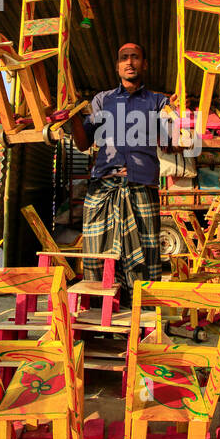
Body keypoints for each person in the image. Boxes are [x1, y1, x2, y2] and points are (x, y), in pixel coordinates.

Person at [69, 42, 183, 302]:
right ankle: (101, 311)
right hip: (103, 188)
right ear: (117, 65)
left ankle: (139, 313)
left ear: (145, 64)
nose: (129, 62)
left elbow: (171, 145)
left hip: (141, 187)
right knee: (98, 256)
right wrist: (72, 114)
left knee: (144, 256)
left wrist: (178, 116)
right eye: (124, 58)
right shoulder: (102, 100)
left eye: (135, 57)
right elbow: (84, 142)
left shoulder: (158, 101)